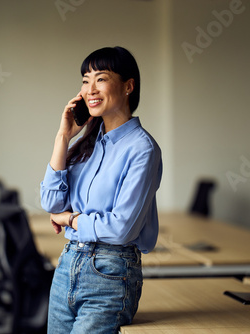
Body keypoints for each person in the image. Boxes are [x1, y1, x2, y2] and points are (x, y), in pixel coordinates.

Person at [40, 46, 163, 334]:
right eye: (85, 80)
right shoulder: (88, 144)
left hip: (110, 272)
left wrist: (70, 220)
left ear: (128, 86)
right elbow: (51, 202)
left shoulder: (142, 149)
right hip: (68, 262)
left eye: (101, 79)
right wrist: (63, 137)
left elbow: (121, 229)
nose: (90, 89)